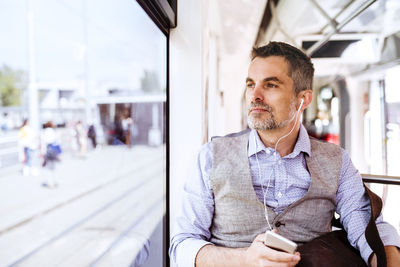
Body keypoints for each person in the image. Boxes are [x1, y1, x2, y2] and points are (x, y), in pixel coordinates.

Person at [169, 42, 400, 266]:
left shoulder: (336, 161)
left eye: (270, 85)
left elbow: (369, 229)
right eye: (251, 84)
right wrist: (244, 260)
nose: (254, 95)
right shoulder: (211, 157)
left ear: (304, 99)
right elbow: (181, 246)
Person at [41, 121, 61, 188]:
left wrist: (42, 153)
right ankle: (52, 182)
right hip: (54, 151)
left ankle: (50, 182)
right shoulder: (53, 131)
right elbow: (57, 141)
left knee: (48, 167)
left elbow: (43, 143)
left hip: (47, 151)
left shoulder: (44, 132)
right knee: (52, 167)